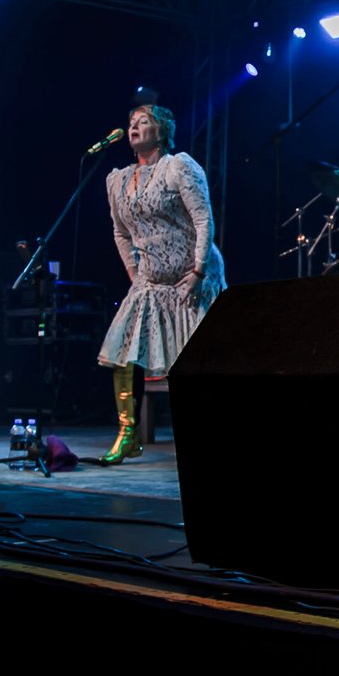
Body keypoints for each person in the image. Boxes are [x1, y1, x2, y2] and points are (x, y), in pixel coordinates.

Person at [96, 104, 226, 463]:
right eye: (131, 123)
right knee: (122, 348)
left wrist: (199, 271)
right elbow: (120, 233)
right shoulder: (118, 180)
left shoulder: (178, 166)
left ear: (162, 131)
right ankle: (128, 433)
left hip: (191, 278)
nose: (134, 127)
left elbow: (203, 220)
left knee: (196, 361)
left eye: (144, 122)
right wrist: (134, 275)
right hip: (150, 279)